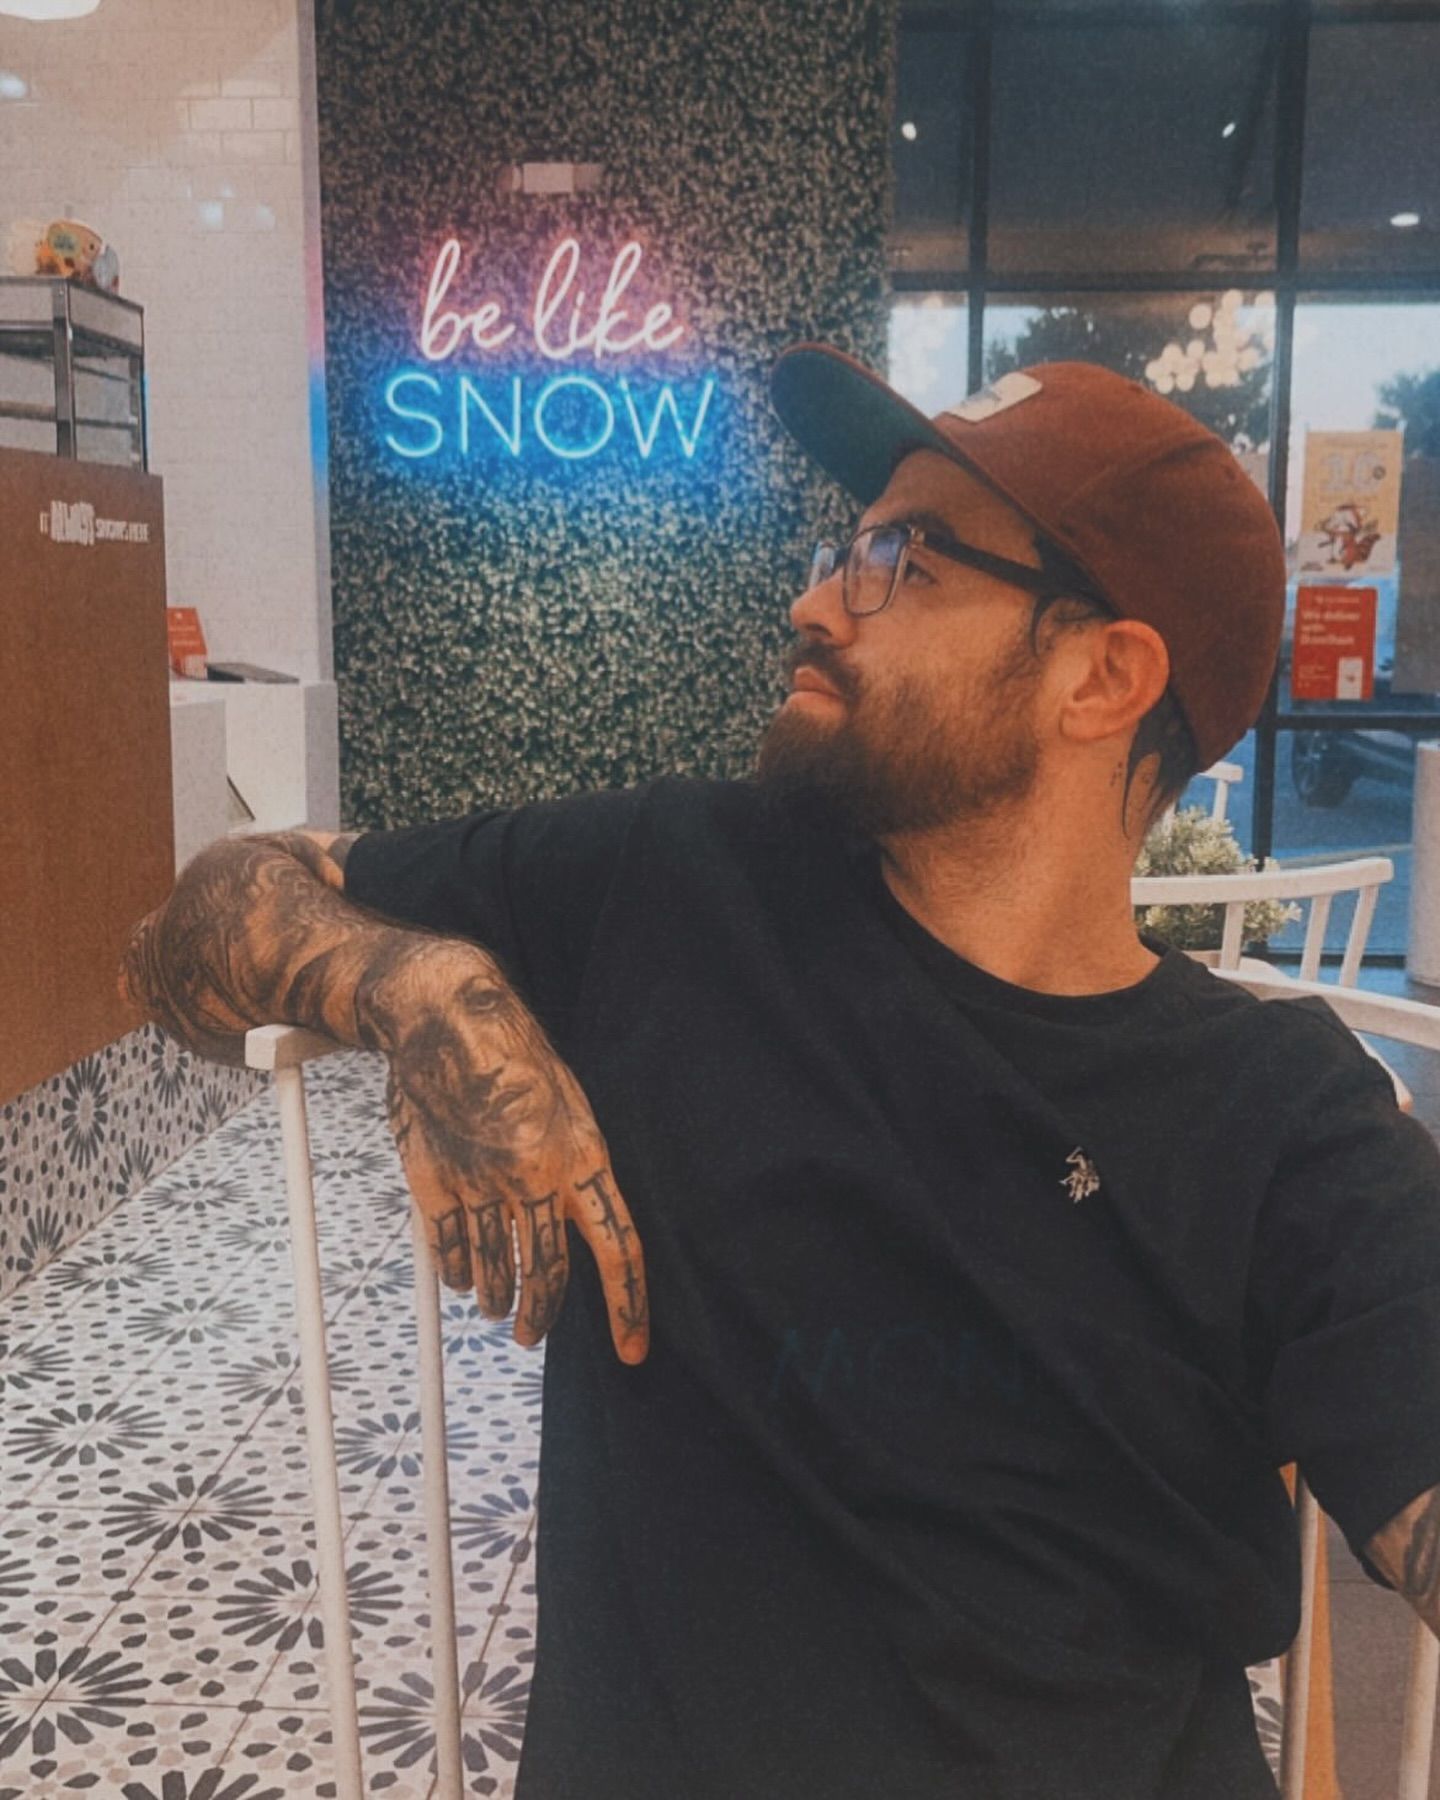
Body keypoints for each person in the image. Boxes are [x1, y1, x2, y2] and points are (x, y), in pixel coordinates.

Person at [119, 345, 1440, 1800]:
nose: (815, 600)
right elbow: (195, 926)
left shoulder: (1284, 1118)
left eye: (905, 561)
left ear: (1102, 676)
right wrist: (416, 988)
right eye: (848, 544)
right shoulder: (678, 884)